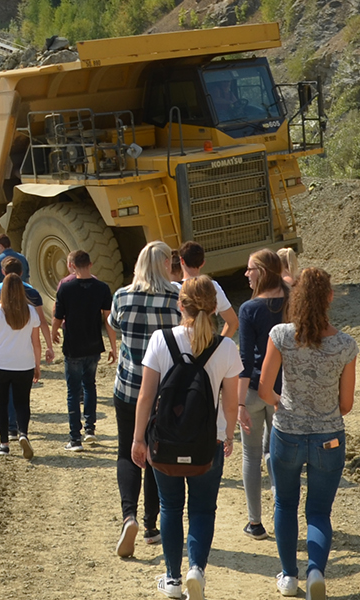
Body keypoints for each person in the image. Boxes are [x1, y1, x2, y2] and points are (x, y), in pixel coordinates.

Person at [131, 276, 243, 600]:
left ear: (181, 305)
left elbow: (145, 395)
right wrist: (229, 436)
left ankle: (172, 578)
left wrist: (138, 439)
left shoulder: (160, 340)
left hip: (165, 442)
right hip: (209, 441)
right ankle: (197, 569)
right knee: (203, 509)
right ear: (214, 306)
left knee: (169, 506)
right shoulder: (226, 347)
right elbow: (232, 400)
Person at [257, 267, 356, 600]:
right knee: (318, 511)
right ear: (330, 297)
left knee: (285, 504)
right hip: (329, 437)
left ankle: (288, 575)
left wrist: (281, 405)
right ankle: (316, 570)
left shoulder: (282, 335)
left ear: (295, 297)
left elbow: (264, 388)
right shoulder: (345, 345)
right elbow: (346, 404)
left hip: (287, 433)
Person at [108, 242, 182, 558]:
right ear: (166, 263)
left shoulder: (122, 296)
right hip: (165, 390)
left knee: (128, 450)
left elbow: (112, 326)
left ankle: (129, 516)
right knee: (155, 454)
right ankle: (152, 526)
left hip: (128, 387)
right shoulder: (176, 297)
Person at [236, 249, 291, 542]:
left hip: (257, 391)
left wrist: (240, 403)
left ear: (263, 272)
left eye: (250, 269)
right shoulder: (292, 302)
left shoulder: (249, 309)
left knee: (251, 454)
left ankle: (255, 522)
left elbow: (245, 360)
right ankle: (284, 515)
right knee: (280, 458)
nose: (246, 274)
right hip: (286, 393)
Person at [0, 272, 44, 458]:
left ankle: (4, 443)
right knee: (23, 402)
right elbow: (36, 343)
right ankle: (24, 434)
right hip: (25, 364)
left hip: (1, 364)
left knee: (1, 403)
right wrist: (37, 365)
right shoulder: (30, 311)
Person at [55, 250, 117, 452]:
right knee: (90, 385)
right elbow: (108, 320)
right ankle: (90, 429)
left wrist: (53, 332)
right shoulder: (102, 288)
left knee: (73, 391)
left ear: (71, 265)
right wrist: (114, 346)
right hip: (93, 345)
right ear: (90, 264)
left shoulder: (65, 288)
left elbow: (58, 316)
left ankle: (75, 439)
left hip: (73, 345)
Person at [173, 241, 239, 339]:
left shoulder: (173, 288)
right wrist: (219, 346)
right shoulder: (213, 286)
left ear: (181, 260)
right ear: (203, 263)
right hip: (208, 345)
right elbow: (233, 322)